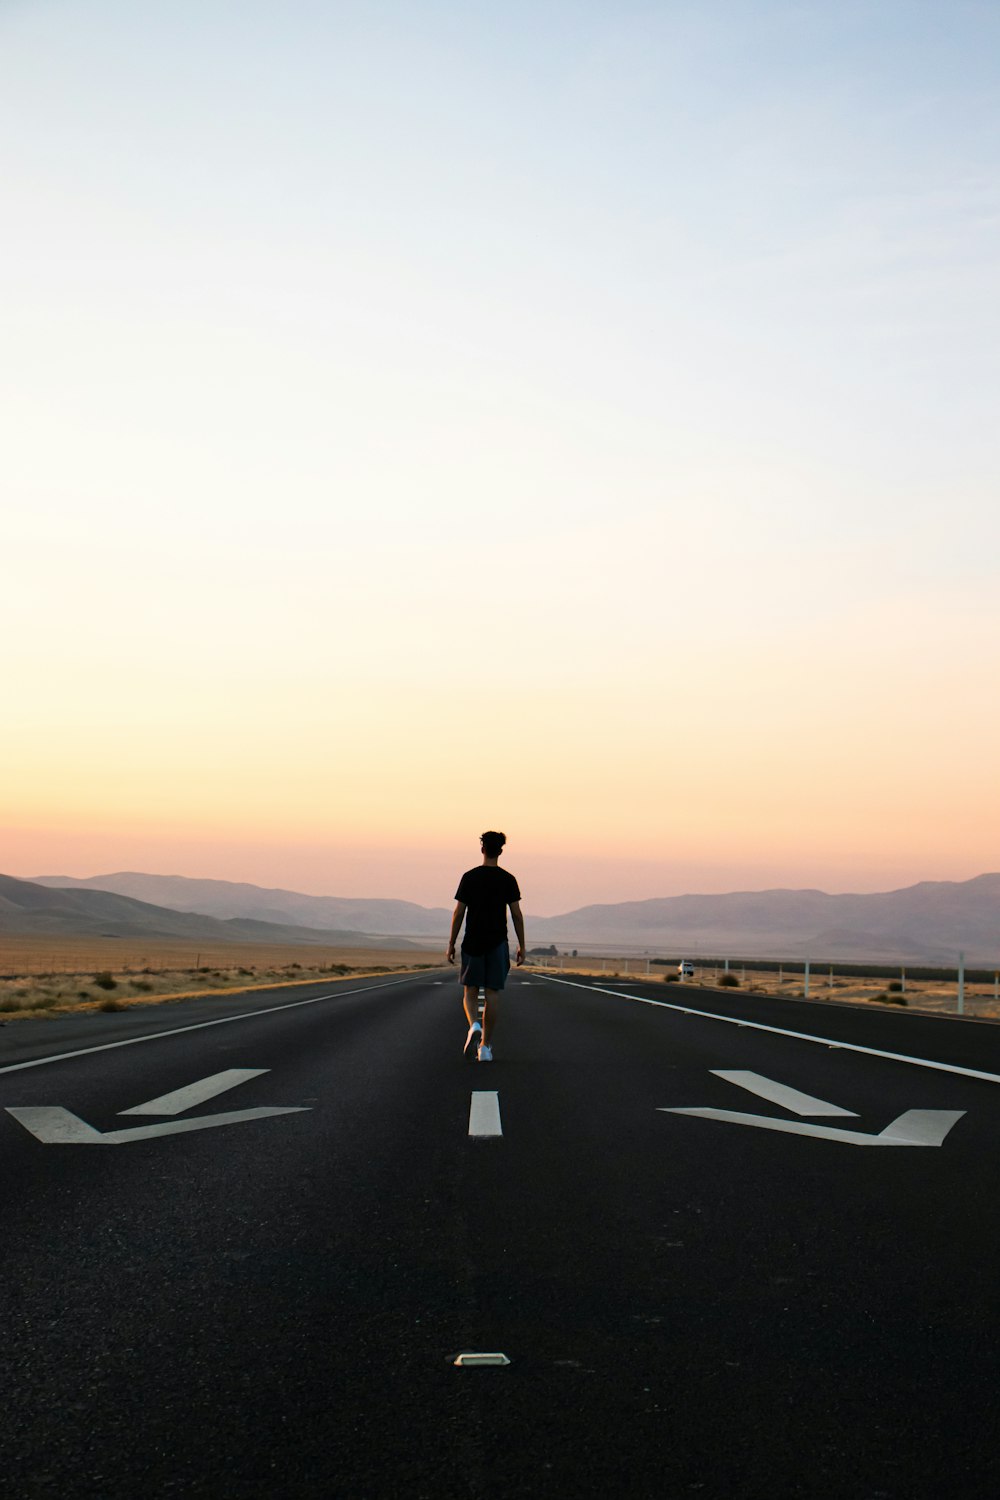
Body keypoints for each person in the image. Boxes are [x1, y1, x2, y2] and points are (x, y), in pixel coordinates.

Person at [447, 830, 525, 1062]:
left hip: (472, 942)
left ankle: (474, 1025)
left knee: (470, 991)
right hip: (497, 942)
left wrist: (451, 943)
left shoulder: (469, 877)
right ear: (500, 851)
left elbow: (459, 912)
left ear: (483, 849)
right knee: (493, 993)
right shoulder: (508, 879)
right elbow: (517, 915)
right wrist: (522, 946)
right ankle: (486, 1047)